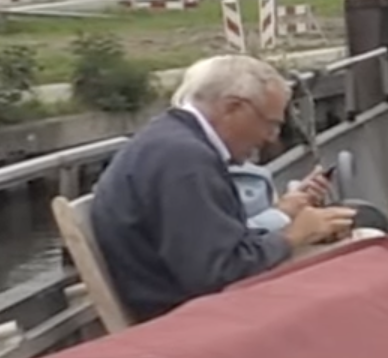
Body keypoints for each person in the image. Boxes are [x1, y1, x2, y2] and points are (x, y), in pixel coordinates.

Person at [88, 54, 360, 323]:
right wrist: (293, 235)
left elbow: (212, 253)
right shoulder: (186, 161)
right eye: (271, 124)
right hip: (187, 323)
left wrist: (284, 216)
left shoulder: (170, 142)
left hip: (172, 303)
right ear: (232, 108)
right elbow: (218, 274)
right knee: (355, 274)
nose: (271, 137)